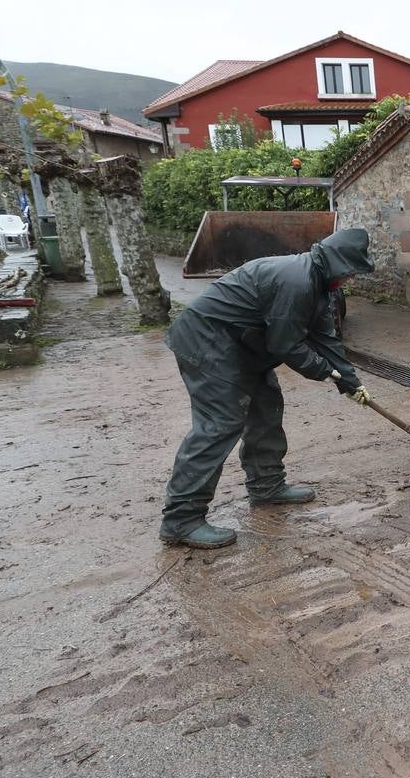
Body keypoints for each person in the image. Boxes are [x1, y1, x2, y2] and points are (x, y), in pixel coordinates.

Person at [159, 229, 376, 549]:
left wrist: (350, 382)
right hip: (207, 340)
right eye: (351, 272)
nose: (351, 279)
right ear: (338, 264)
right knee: (222, 422)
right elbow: (285, 343)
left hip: (241, 345)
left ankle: (266, 486)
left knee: (266, 406)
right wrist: (323, 371)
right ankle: (181, 519)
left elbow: (326, 339)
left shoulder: (320, 286)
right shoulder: (297, 281)